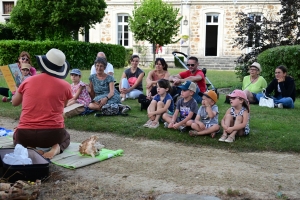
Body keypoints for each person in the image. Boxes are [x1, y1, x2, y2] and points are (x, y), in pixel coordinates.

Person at [12, 48, 72, 159]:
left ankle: (31, 148)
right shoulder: (66, 86)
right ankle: (56, 148)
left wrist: (17, 88)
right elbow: (63, 106)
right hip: (53, 134)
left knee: (17, 136)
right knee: (66, 137)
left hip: (26, 133)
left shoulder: (27, 81)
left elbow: (14, 103)